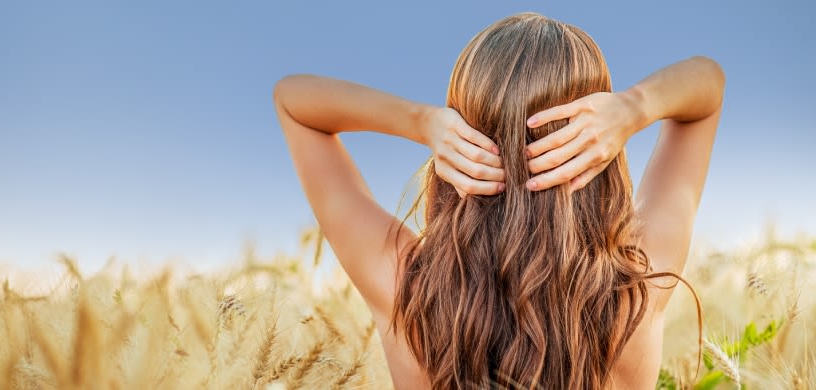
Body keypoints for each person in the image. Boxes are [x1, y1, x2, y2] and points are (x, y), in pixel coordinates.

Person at [272, 12, 724, 390]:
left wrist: (421, 121)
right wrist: (634, 107)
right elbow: (708, 84)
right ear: (597, 147)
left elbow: (294, 100)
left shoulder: (407, 292)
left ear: (461, 136)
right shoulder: (636, 296)